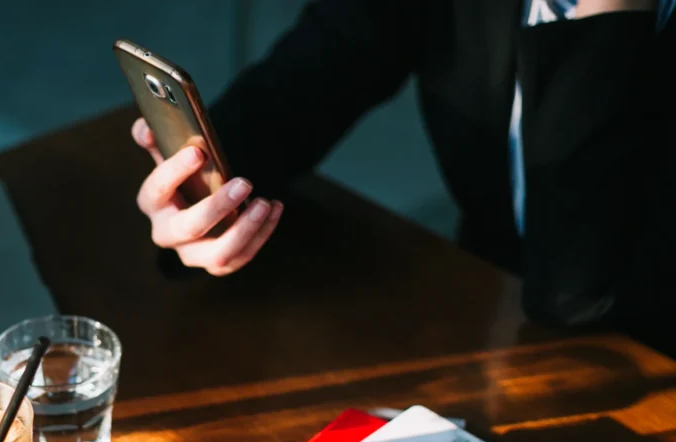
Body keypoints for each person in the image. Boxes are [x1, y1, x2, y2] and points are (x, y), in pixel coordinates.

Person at [131, 0, 675, 355]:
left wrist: (607, 12)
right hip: (489, 327)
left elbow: (578, 290)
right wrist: (193, 203)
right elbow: (291, 97)